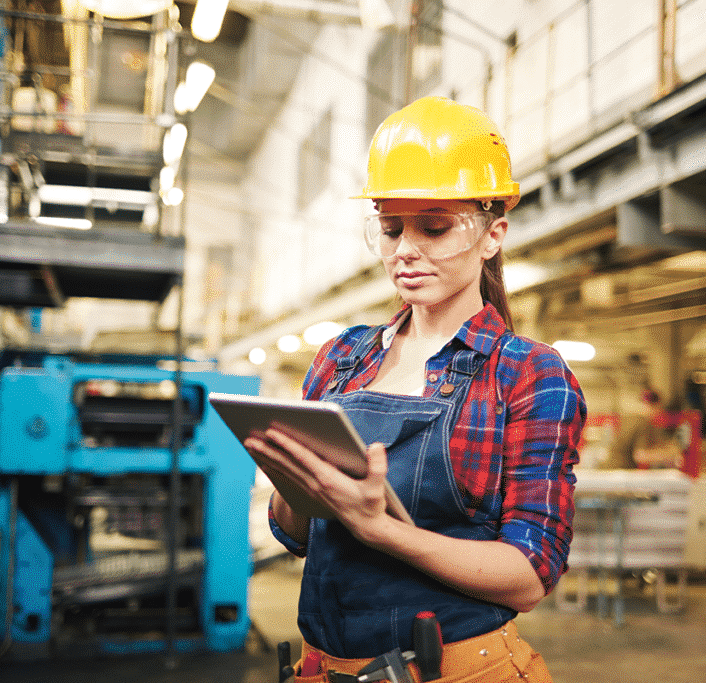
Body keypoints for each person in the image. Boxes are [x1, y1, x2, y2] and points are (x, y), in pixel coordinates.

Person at [244, 96, 586, 683]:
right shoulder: (341, 358)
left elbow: (530, 574)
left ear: (492, 235)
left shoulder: (528, 375)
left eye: (434, 226)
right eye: (390, 227)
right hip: (322, 670)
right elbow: (293, 534)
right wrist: (293, 484)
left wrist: (385, 531)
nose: (406, 249)